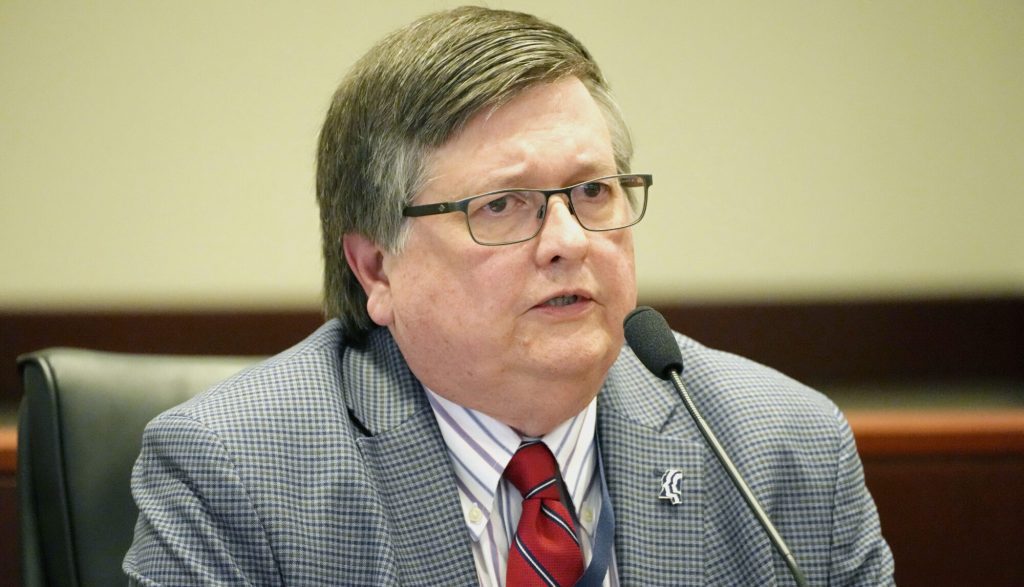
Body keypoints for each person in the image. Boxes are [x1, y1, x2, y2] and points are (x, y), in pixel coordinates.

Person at [124, 6, 894, 586]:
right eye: (501, 205)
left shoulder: (783, 452)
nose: (568, 239)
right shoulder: (235, 473)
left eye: (592, 190)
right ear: (376, 270)